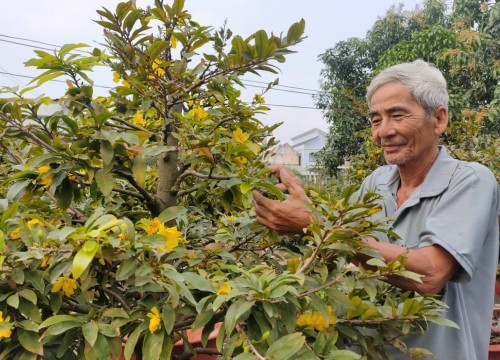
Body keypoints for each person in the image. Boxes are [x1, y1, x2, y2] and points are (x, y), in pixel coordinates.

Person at [253, 60, 499, 359]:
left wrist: (316, 224)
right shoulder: (376, 182)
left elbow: (431, 273)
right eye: (375, 120)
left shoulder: (471, 180)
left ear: (439, 119)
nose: (384, 131)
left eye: (397, 115)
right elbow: (336, 250)